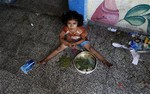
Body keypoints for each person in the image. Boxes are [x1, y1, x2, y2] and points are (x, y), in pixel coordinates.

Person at [39, 10, 113, 67]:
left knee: (91, 49)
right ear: (66, 23)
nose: (71, 26)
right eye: (69, 23)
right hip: (69, 40)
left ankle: (104, 61)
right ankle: (45, 60)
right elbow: (61, 37)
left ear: (78, 23)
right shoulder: (65, 29)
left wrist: (76, 43)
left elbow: (83, 39)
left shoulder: (81, 30)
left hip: (80, 40)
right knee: (59, 49)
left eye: (74, 23)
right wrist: (68, 43)